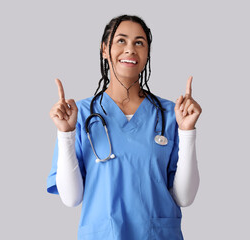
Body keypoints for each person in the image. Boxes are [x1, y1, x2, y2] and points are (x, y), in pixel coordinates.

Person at [47, 15, 202, 240]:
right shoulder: (78, 115)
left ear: (147, 53)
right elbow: (71, 198)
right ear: (104, 49)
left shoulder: (171, 114)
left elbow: (185, 197)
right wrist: (65, 133)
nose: (130, 49)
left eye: (139, 42)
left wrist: (187, 131)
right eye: (121, 40)